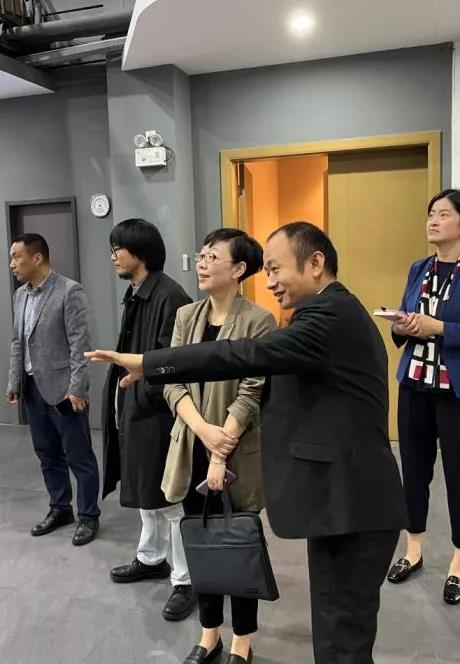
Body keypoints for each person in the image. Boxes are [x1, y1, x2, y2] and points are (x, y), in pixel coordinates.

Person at [86, 221, 407, 664]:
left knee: (342, 641)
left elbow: (243, 355)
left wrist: (149, 363)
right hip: (340, 504)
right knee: (336, 633)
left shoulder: (329, 317)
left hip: (354, 506)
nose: (269, 280)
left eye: (275, 268)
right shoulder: (322, 313)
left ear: (315, 263)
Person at [162, 228, 276, 664]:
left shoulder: (258, 321)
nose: (202, 263)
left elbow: (251, 392)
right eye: (201, 255)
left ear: (239, 269)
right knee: (202, 544)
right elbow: (170, 379)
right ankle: (209, 634)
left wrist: (219, 449)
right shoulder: (186, 316)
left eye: (213, 257)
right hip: (191, 447)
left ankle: (242, 640)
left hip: (236, 454)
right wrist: (202, 432)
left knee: (238, 544)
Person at [102, 219, 197, 621]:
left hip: (159, 414)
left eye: (118, 249)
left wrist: (142, 395)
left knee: (170, 498)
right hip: (137, 410)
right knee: (145, 490)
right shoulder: (138, 291)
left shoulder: (170, 296)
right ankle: (151, 557)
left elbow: (171, 362)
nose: (112, 256)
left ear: (139, 252)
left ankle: (186, 580)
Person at [386, 189, 460, 605]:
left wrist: (440, 329)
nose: (433, 220)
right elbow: (404, 313)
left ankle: (459, 561)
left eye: (443, 214)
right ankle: (412, 549)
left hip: (455, 389)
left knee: (458, 475)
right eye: (431, 213)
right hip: (414, 383)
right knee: (413, 470)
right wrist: (401, 325)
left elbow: (445, 326)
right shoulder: (419, 268)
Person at [7, 233, 100, 546]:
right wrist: (14, 381)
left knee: (79, 456)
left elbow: (80, 344)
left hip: (64, 391)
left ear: (37, 258)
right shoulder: (20, 295)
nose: (12, 264)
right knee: (47, 454)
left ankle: (88, 516)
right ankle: (60, 508)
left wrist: (78, 388)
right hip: (33, 389)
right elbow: (18, 341)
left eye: (16, 256)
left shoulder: (69, 291)